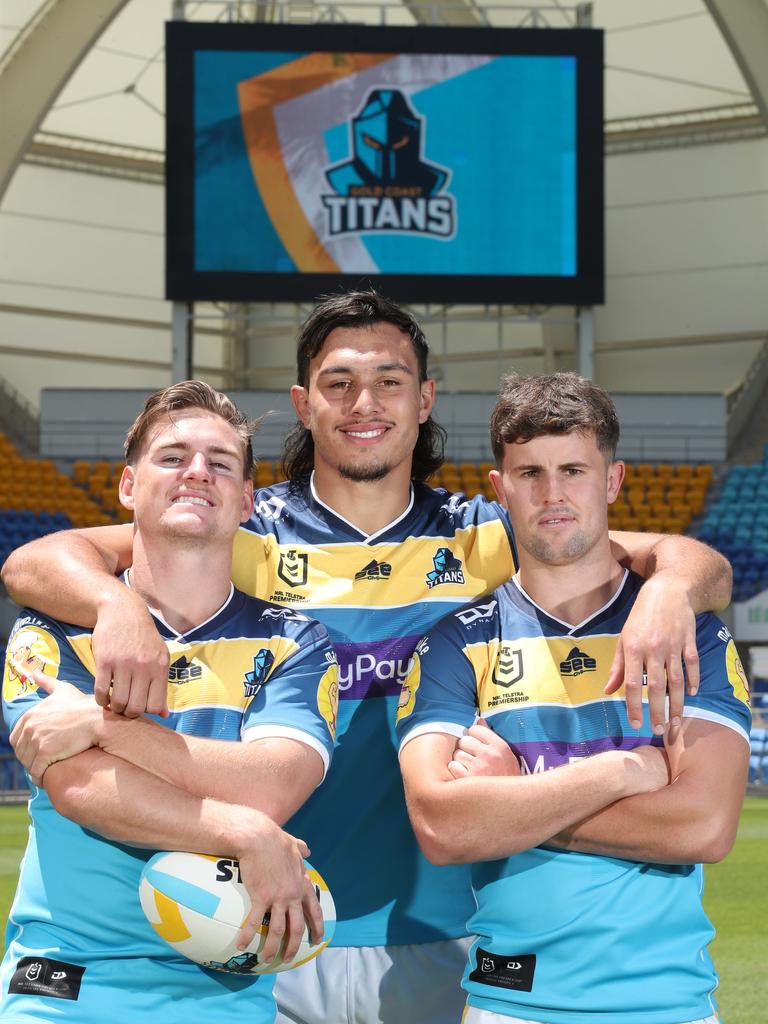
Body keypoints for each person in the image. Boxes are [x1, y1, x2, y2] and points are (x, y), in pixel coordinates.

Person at [2, 292, 733, 1024]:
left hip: (442, 928)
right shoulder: (247, 528)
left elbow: (682, 561)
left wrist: (670, 590)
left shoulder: (487, 534)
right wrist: (113, 604)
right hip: (268, 914)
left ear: (424, 399)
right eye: (339, 381)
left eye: (390, 380)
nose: (365, 402)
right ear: (303, 401)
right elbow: (35, 563)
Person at [396, 372, 751, 1024]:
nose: (553, 493)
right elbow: (445, 828)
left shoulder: (688, 631)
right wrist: (620, 772)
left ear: (612, 481)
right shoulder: (453, 644)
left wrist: (516, 796)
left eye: (574, 470)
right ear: (499, 490)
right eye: (529, 473)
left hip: (669, 1007)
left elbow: (702, 824)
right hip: (511, 1005)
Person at [1, 382, 337, 1023]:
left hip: (226, 995)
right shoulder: (50, 626)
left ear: (246, 502)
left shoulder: (296, 641)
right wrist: (239, 830)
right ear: (128, 486)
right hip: (65, 987)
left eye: (220, 462)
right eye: (172, 456)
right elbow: (78, 785)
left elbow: (273, 783)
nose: (196, 472)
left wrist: (104, 727)